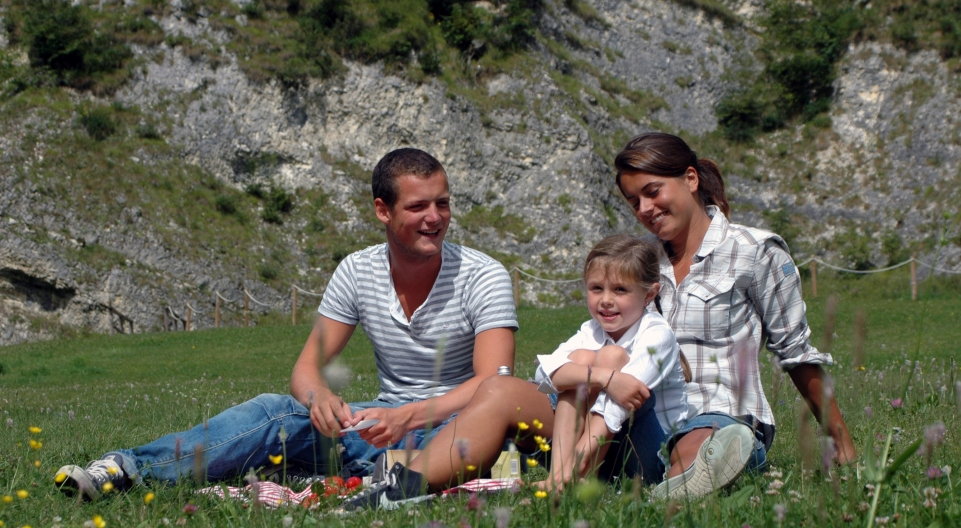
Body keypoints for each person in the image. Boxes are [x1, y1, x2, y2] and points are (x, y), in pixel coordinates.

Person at [53, 148, 518, 501]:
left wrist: (407, 415)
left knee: (464, 448)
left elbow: (493, 386)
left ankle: (347, 474)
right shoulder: (358, 271)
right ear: (383, 210)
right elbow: (306, 370)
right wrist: (321, 402)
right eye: (418, 207)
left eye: (443, 204)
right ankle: (124, 469)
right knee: (277, 411)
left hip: (459, 429)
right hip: (379, 425)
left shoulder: (483, 275)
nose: (434, 218)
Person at [612, 132, 857, 498]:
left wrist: (840, 441)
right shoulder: (639, 262)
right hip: (645, 415)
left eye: (653, 191)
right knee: (514, 400)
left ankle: (685, 483)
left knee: (705, 446)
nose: (645, 209)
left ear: (691, 179)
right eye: (634, 202)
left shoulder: (756, 251)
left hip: (721, 413)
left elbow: (796, 352)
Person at [532, 235, 690, 492]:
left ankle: (571, 473)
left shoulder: (657, 334)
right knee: (583, 362)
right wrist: (603, 377)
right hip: (608, 454)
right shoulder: (590, 331)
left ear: (649, 294)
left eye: (620, 290)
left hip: (651, 457)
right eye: (596, 288)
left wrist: (576, 462)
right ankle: (562, 476)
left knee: (611, 357)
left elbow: (618, 406)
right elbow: (544, 374)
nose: (606, 299)